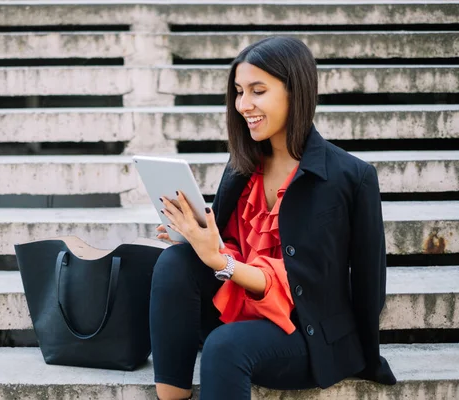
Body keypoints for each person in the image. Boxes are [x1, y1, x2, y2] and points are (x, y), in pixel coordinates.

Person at [150, 36, 397, 400]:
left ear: (294, 92)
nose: (243, 104)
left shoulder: (351, 177)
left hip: (306, 332)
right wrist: (196, 237)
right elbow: (229, 247)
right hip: (245, 308)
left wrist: (362, 355)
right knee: (175, 261)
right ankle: (172, 395)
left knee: (224, 346)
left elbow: (367, 286)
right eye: (238, 91)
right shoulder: (241, 168)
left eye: (257, 91)